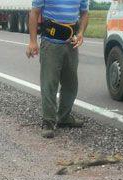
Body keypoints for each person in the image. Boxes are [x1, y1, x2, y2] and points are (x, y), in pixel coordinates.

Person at [26, 0, 89, 138]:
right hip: (51, 43)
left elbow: (84, 13)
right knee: (49, 83)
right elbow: (34, 12)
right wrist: (32, 41)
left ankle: (64, 118)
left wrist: (81, 33)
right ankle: (48, 121)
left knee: (71, 83)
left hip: (71, 43)